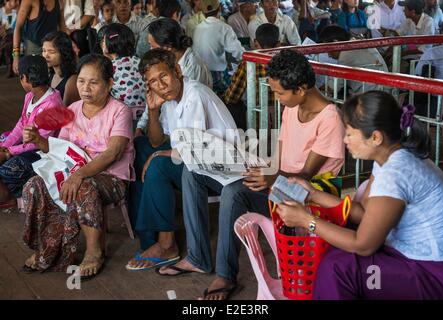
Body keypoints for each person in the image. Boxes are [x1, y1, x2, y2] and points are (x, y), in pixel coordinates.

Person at [158, 49, 346, 301]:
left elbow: (305, 176)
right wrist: (250, 164)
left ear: (301, 89)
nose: (277, 99)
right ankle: (197, 257)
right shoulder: (293, 107)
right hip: (280, 184)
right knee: (194, 174)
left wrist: (270, 177)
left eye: (280, 93)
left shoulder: (329, 118)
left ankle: (225, 275)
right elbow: (281, 158)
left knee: (234, 192)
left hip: (307, 198)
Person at [276, 90, 443, 299]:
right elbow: (362, 212)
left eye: (349, 133)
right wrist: (312, 193)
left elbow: (363, 245)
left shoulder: (395, 173)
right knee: (336, 244)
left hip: (432, 275)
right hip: (409, 256)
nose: (345, 140)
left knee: (338, 268)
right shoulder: (390, 157)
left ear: (375, 137)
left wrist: (307, 220)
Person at [21, 54, 135, 279]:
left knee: (83, 187)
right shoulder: (72, 108)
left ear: (109, 83)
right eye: (82, 81)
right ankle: (46, 247)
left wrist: (78, 175)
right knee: (35, 184)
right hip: (73, 171)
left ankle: (94, 252)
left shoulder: (120, 111)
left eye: (93, 82)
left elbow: (112, 153)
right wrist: (38, 140)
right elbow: (61, 148)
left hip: (110, 176)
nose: (85, 88)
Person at [125, 48, 238, 272]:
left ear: (177, 71)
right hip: (197, 164)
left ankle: (166, 245)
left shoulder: (195, 94)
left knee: (159, 164)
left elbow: (195, 148)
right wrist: (153, 110)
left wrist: (159, 154)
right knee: (146, 154)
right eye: (153, 82)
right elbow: (157, 141)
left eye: (164, 76)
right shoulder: (168, 100)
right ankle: (159, 241)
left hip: (222, 168)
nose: (161, 85)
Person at [0, 55, 63, 209]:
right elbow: (21, 125)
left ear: (25, 78)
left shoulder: (52, 104)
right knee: (2, 140)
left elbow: (38, 143)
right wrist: (4, 146)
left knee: (8, 169)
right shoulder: (30, 96)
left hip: (44, 152)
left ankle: (19, 197)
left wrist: (8, 153)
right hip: (28, 144)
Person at [135, 17, 213, 136]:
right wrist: (141, 125)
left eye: (152, 46)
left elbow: (191, 127)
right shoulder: (165, 66)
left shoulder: (193, 67)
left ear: (167, 47)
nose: (150, 50)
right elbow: (153, 96)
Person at [223, 23, 279, 130]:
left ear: (255, 43)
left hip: (258, 125)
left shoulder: (248, 64)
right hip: (285, 123)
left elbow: (231, 97)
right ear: (278, 44)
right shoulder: (288, 61)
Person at [192, 0, 244, 95]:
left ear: (203, 12)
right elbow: (238, 52)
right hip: (217, 75)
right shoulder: (224, 27)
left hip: (199, 74)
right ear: (220, 8)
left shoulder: (197, 28)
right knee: (238, 90)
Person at [318, 25, 388, 95]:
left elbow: (334, 86)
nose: (329, 55)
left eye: (328, 50)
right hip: (383, 90)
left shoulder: (346, 53)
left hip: (372, 95)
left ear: (335, 42)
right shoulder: (356, 42)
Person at [12, 0, 65, 74]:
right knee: (35, 80)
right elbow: (18, 27)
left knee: (55, 79)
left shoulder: (59, 1)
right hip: (34, 46)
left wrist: (68, 46)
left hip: (52, 47)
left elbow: (62, 26)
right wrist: (16, 56)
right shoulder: (29, 1)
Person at [101, 23, 146, 108]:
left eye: (103, 41)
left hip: (122, 116)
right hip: (147, 114)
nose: (102, 44)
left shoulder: (107, 68)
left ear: (109, 43)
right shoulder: (141, 62)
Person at [42, 31, 80, 106]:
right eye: (44, 51)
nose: (46, 55)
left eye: (51, 52)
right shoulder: (51, 75)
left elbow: (65, 113)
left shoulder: (72, 80)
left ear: (63, 53)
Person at [0, 0, 18, 77]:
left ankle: (10, 67)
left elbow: (16, 26)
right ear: (5, 1)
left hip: (11, 34)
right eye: (11, 1)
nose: (14, 2)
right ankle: (10, 68)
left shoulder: (16, 12)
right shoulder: (1, 11)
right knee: (7, 42)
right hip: (2, 34)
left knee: (9, 44)